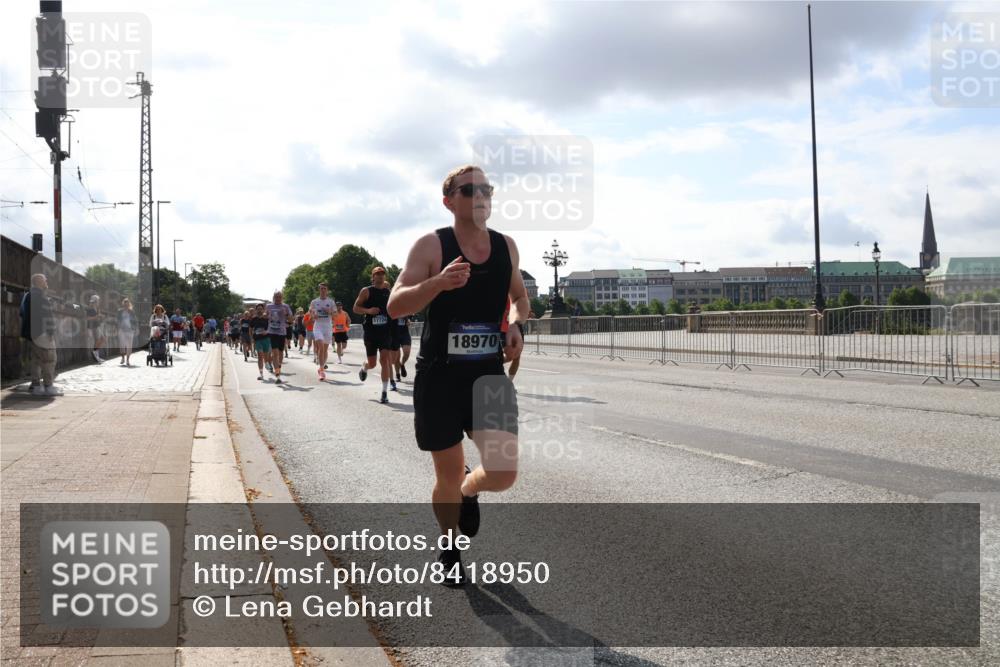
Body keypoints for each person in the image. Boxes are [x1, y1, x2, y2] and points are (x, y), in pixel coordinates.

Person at [387, 164, 528, 585]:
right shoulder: (432, 245)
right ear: (449, 201)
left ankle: (470, 490)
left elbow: (520, 298)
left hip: (488, 375)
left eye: (486, 188)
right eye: (469, 190)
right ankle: (449, 546)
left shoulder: (505, 246)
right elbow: (395, 305)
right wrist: (438, 283)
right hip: (441, 377)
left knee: (502, 474)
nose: (480, 195)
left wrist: (517, 324)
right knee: (446, 474)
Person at [354, 267, 394, 403]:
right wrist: (369, 311)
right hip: (371, 332)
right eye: (377, 274)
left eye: (382, 274)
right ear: (373, 277)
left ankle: (384, 392)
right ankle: (364, 367)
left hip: (385, 332)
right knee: (372, 363)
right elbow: (355, 308)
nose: (380, 276)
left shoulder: (388, 293)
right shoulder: (366, 291)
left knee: (385, 360)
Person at [20, 273, 62, 396]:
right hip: (42, 333)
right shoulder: (41, 297)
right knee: (49, 359)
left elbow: (21, 313)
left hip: (29, 334)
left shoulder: (27, 296)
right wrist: (51, 332)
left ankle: (36, 386)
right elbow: (47, 316)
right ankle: (48, 387)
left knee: (36, 360)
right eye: (45, 280)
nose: (46, 282)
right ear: (39, 282)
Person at [310, 283, 336, 381]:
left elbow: (335, 315)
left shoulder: (331, 302)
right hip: (318, 326)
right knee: (320, 346)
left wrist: (329, 311)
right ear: (319, 290)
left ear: (327, 290)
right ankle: (321, 370)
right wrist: (314, 315)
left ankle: (321, 367)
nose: (323, 290)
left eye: (325, 288)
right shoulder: (314, 301)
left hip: (328, 327)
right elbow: (311, 312)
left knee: (325, 349)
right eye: (321, 288)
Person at [266, 291, 294, 384]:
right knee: (275, 353)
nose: (278, 298)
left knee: (281, 353)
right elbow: (265, 317)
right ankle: (277, 373)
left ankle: (278, 367)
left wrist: (286, 314)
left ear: (282, 297)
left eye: (279, 297)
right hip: (272, 331)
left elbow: (291, 320)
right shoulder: (269, 306)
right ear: (273, 297)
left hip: (282, 332)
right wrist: (267, 315)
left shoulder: (285, 306)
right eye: (276, 297)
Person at [249, 304, 270, 381]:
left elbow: (270, 328)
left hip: (266, 339)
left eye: (261, 309)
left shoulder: (266, 319)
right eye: (258, 309)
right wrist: (251, 338)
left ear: (263, 310)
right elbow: (250, 329)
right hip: (257, 339)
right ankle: (261, 374)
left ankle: (266, 362)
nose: (259, 310)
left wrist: (266, 331)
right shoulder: (253, 319)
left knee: (266, 355)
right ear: (256, 310)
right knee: (260, 356)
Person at [392, 313, 412, 382]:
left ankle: (402, 364)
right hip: (394, 334)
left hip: (404, 333)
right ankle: (397, 375)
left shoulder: (405, 308)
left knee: (406, 353)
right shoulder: (391, 307)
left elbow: (410, 315)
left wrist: (409, 320)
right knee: (397, 357)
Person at [117, 298, 138, 366]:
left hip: (130, 330)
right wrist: (118, 328)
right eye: (125, 304)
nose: (126, 305)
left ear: (129, 304)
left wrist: (136, 328)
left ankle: (128, 360)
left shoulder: (132, 312)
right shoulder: (120, 311)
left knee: (129, 346)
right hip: (122, 330)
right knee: (122, 345)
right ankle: (123, 358)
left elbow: (135, 321)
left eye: (127, 304)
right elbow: (117, 320)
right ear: (123, 304)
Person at [86, 295, 105, 363]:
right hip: (93, 326)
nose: (98, 302)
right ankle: (95, 354)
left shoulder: (97, 308)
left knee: (101, 339)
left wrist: (101, 316)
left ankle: (96, 354)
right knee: (100, 339)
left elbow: (97, 317)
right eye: (97, 301)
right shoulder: (90, 308)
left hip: (97, 325)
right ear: (95, 301)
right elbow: (88, 318)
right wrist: (97, 316)